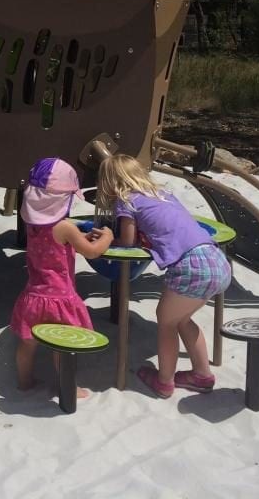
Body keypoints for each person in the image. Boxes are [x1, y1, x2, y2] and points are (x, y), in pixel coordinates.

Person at [96, 153, 231, 398]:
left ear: (110, 182)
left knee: (166, 322)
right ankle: (202, 375)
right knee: (182, 320)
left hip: (191, 266)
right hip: (216, 260)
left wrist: (107, 238)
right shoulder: (164, 194)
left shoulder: (126, 200)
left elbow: (127, 241)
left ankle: (164, 381)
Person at [10, 157, 114, 397]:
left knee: (27, 344)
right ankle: (69, 388)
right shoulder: (65, 227)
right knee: (63, 347)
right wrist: (107, 237)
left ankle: (24, 382)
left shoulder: (31, 223)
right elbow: (93, 252)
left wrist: (77, 239)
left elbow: (54, 245)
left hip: (33, 295)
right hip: (60, 297)